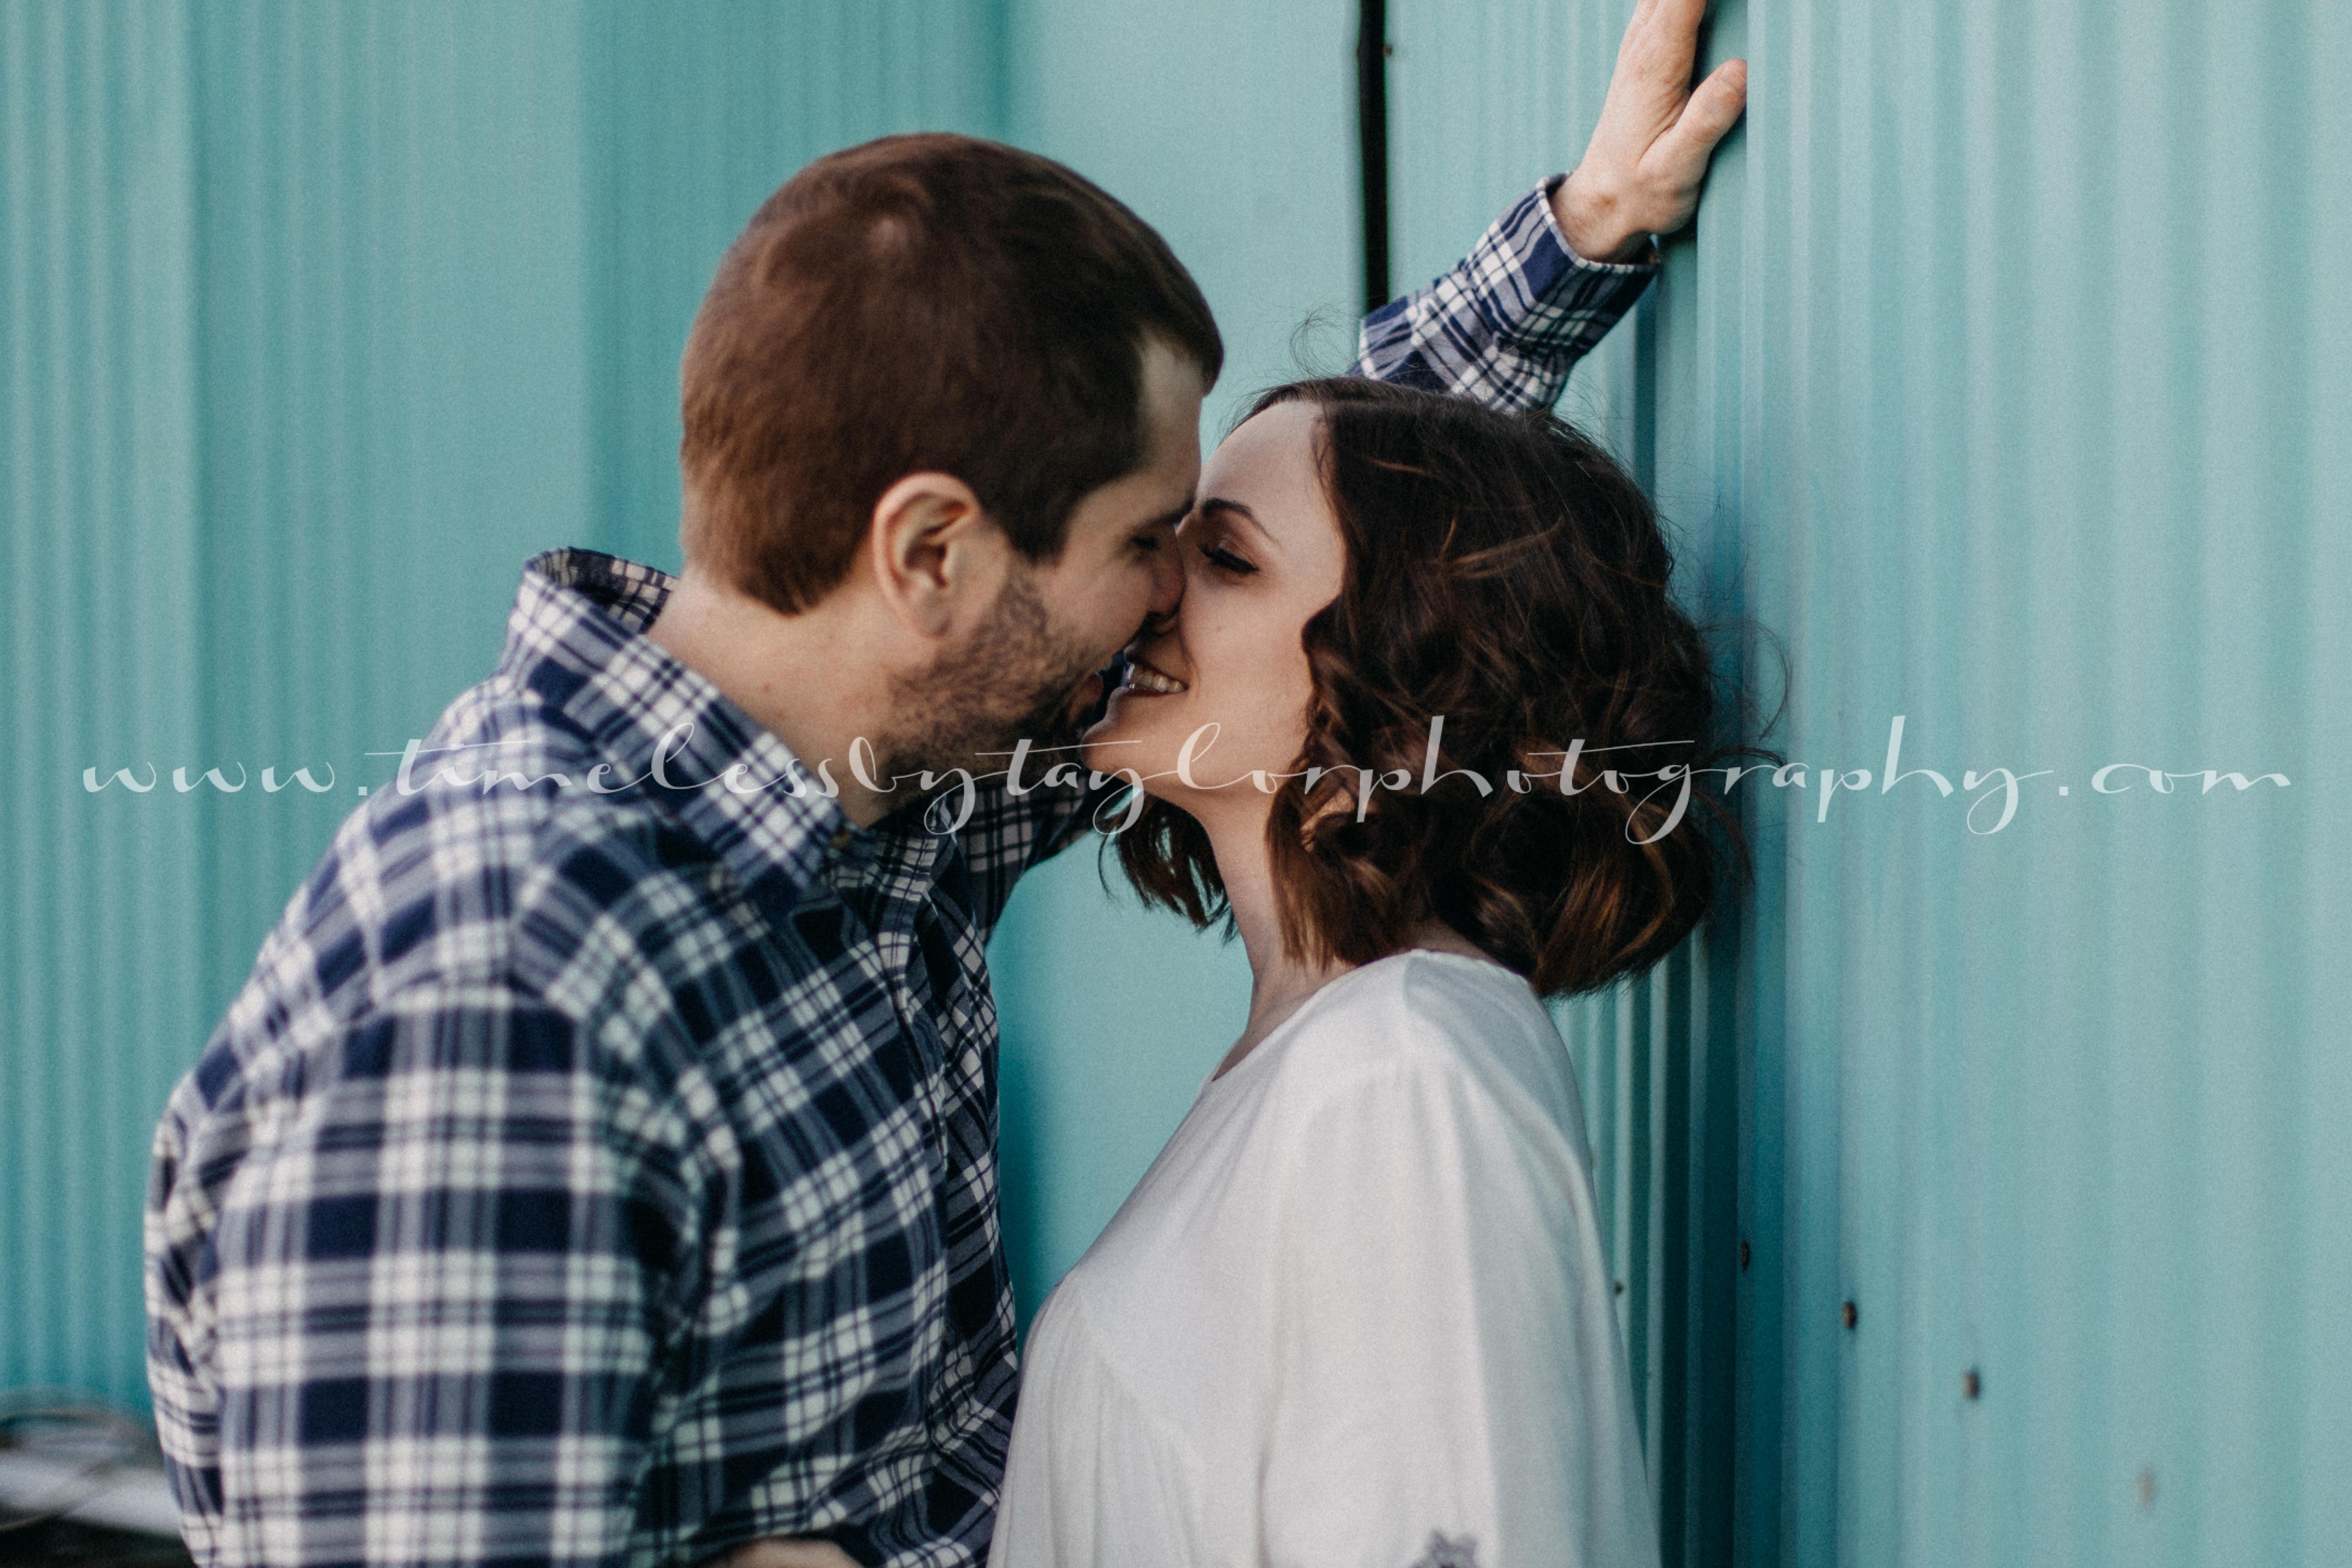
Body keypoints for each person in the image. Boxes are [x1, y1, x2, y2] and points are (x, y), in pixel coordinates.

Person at [142, 5, 1744, 1567]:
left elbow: (1368, 596)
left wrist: (1575, 241)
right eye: (1146, 546)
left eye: (1200, 551)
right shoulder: (501, 1009)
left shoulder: (878, 804)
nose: (1161, 601)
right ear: (931, 556)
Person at [990, 373, 1739, 1568]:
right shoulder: (1323, 1065)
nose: (1152, 586)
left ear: (1406, 684)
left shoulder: (1402, 1075)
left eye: (1225, 559)